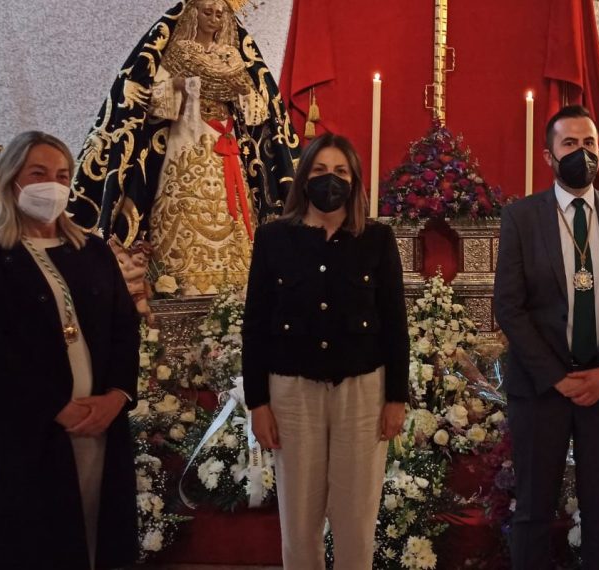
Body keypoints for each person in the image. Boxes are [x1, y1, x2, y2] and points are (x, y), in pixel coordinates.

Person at [0, 131, 140, 570]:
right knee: (37, 543)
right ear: (12, 180)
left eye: (61, 175)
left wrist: (117, 396)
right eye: (38, 173)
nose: (51, 184)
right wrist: (54, 407)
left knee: (99, 534)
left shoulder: (91, 250)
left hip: (100, 423)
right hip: (29, 434)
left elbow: (124, 329)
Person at [494, 106, 599, 569]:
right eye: (570, 144)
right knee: (532, 513)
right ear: (549, 156)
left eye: (589, 144)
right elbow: (509, 306)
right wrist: (556, 377)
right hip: (540, 389)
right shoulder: (522, 217)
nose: (582, 154)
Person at [242, 133, 409, 569]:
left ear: (354, 181)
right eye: (318, 171)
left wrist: (397, 397)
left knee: (356, 518)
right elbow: (255, 325)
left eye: (339, 172)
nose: (329, 181)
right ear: (303, 178)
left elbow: (394, 322)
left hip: (362, 392)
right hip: (292, 392)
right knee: (299, 520)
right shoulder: (274, 238)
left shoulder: (376, 239)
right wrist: (258, 403)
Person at [71, 0, 299, 295]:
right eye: (207, 12)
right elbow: (156, 103)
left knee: (234, 214)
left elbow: (255, 108)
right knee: (184, 205)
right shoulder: (179, 52)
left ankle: (236, 288)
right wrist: (179, 86)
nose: (214, 19)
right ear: (193, 13)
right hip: (187, 142)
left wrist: (244, 91)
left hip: (225, 143)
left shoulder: (232, 56)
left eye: (220, 13)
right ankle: (177, 281)